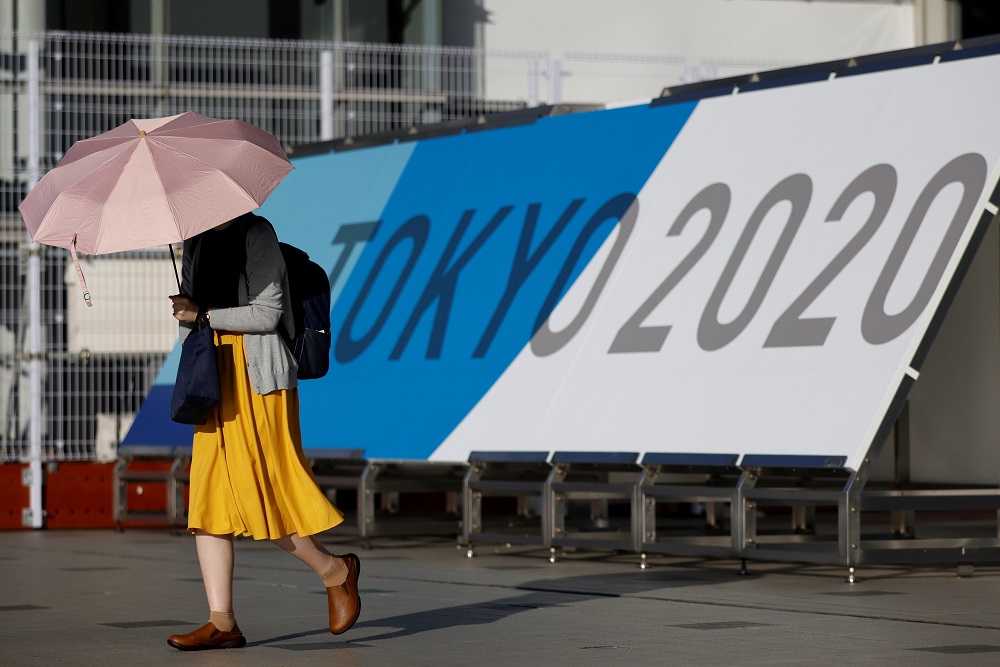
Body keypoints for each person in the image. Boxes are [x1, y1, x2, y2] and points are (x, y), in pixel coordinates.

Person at [165, 211, 360, 651]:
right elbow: (193, 317)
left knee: (264, 496)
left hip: (258, 378)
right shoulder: (195, 238)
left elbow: (268, 313)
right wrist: (190, 320)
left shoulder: (257, 234)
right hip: (214, 379)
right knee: (209, 499)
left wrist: (204, 314)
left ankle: (336, 572)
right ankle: (222, 622)